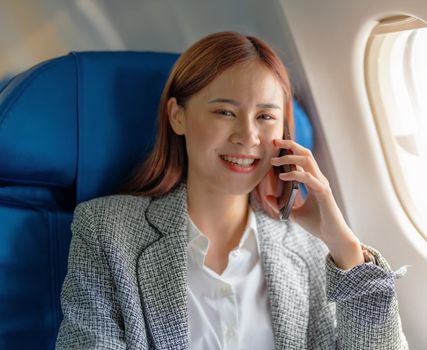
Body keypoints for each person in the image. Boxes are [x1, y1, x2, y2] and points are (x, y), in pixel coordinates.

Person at [55, 31, 408, 350]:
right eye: (225, 112)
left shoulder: (307, 248)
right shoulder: (105, 231)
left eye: (266, 117)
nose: (248, 136)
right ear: (177, 116)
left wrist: (343, 245)